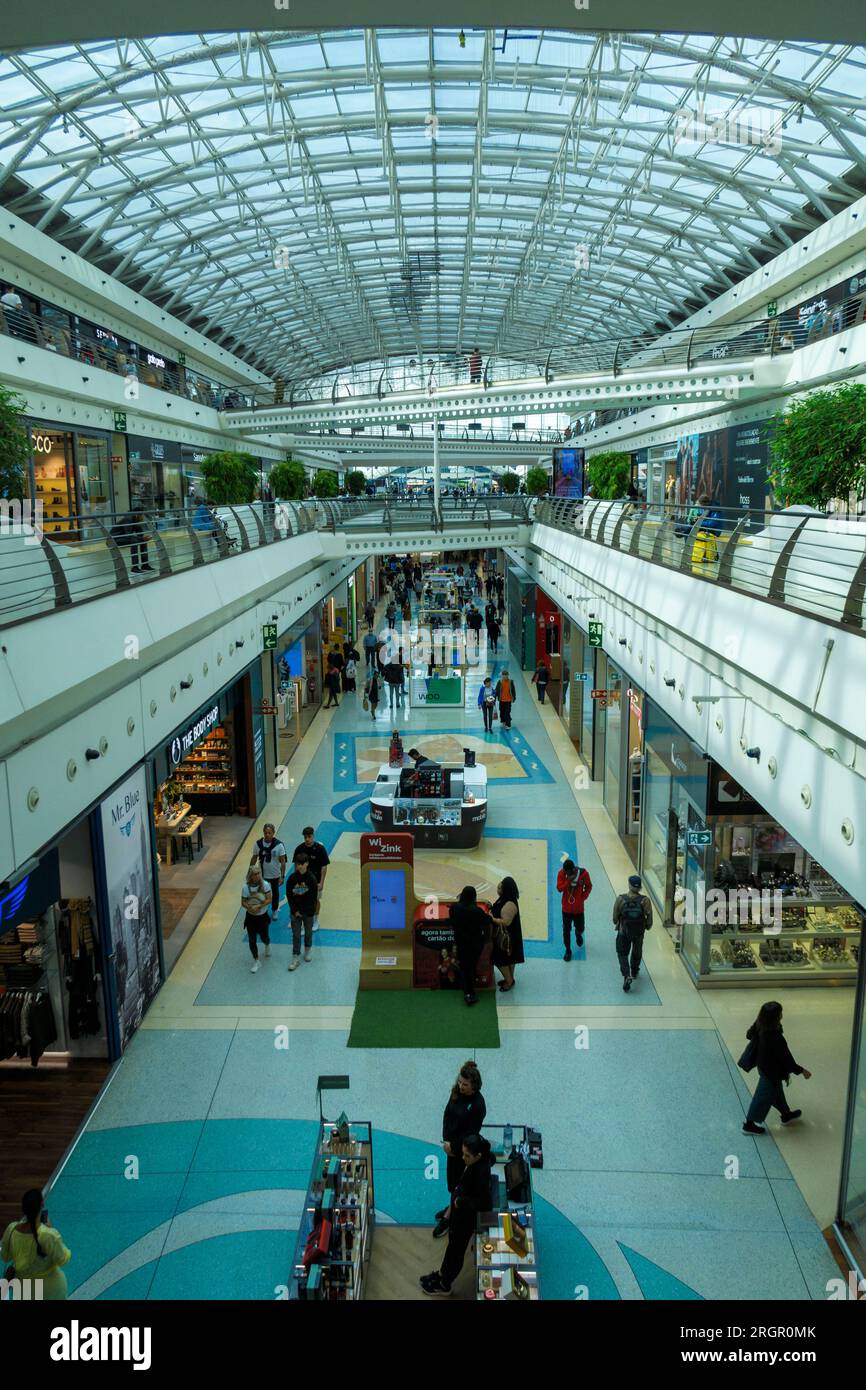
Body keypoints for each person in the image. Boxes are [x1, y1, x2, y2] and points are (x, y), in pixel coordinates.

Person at [421, 1134, 493, 1296]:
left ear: (478, 1156)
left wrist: (461, 1202)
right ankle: (441, 1275)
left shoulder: (480, 1173)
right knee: (452, 1249)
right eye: (463, 1153)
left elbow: (485, 1203)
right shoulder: (481, 1160)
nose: (463, 1158)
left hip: (464, 1221)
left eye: (467, 1155)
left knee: (456, 1252)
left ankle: (445, 1283)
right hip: (459, 1217)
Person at [431, 1062, 487, 1239]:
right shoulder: (456, 1091)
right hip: (451, 1147)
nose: (461, 1086)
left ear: (474, 1086)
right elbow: (447, 1114)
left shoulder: (478, 1105)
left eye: (465, 1084)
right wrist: (446, 1140)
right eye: (460, 1082)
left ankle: (449, 1218)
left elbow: (470, 1132)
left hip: (463, 1152)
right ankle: (450, 1206)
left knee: (459, 1185)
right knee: (452, 1182)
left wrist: (454, 1149)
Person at [742, 1002, 812, 1135]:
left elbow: (748, 1035)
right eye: (780, 1013)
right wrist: (801, 1071)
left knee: (776, 1092)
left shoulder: (760, 1024)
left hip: (763, 1066)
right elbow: (786, 1058)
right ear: (776, 1017)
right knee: (762, 1097)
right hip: (771, 1071)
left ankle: (786, 1114)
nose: (782, 1015)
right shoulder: (774, 1036)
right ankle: (749, 1125)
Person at [1, 1189, 71, 1300]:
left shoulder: (11, 1229)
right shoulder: (47, 1234)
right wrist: (51, 1229)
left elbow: (5, 1256)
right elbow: (63, 1259)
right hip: (51, 1290)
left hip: (24, 1290)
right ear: (42, 1205)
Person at [449, 885, 490, 1006]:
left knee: (465, 967)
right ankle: (470, 992)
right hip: (475, 944)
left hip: (461, 943)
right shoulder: (476, 910)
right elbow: (487, 920)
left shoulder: (455, 908)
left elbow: (452, 918)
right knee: (471, 966)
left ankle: (468, 992)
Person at [612, 873, 653, 992]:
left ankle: (626, 975)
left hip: (623, 932)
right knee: (637, 951)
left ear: (629, 885)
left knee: (622, 953)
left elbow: (615, 918)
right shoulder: (645, 900)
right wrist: (647, 926)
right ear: (640, 887)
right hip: (639, 932)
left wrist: (618, 922)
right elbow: (649, 917)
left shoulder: (620, 899)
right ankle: (634, 971)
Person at [489, 876, 524, 991]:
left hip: (505, 939)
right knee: (510, 959)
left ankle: (508, 981)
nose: (498, 890)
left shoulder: (509, 903)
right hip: (508, 937)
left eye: (501, 888)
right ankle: (510, 978)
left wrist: (492, 919)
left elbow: (506, 922)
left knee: (501, 960)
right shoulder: (506, 898)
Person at [285, 853, 318, 970]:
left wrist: (304, 911)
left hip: (308, 912)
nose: (300, 867)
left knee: (308, 932)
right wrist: (295, 910)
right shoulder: (292, 879)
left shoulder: (312, 879)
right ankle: (295, 957)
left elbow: (313, 898)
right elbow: (289, 896)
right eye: (298, 864)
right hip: (295, 913)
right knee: (296, 935)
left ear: (307, 864)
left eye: (302, 864)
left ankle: (307, 950)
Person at [294, 826, 330, 933]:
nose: (307, 839)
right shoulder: (299, 849)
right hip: (302, 882)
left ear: (313, 836)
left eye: (309, 837)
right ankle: (303, 925)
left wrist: (321, 882)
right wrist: (296, 881)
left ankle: (315, 920)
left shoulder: (320, 849)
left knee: (315, 901)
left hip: (316, 881)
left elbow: (324, 867)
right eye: (305, 837)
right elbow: (296, 866)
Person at [557, 858, 593, 959]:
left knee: (580, 928)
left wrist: (583, 897)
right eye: (565, 872)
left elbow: (589, 886)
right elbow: (559, 888)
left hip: (578, 909)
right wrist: (568, 881)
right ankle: (568, 950)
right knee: (566, 930)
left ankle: (578, 934)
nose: (567, 874)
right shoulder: (562, 873)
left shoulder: (583, 874)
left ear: (574, 869)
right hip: (566, 909)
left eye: (568, 872)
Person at [250, 823, 287, 919]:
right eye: (265, 833)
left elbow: (283, 862)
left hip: (275, 875)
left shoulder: (279, 845)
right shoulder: (258, 844)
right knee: (262, 894)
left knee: (275, 894)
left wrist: (282, 876)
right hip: (262, 875)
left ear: (273, 833)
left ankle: (275, 910)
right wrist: (250, 871)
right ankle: (263, 910)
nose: (267, 835)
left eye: (269, 833)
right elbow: (254, 858)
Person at [242, 865, 272, 973]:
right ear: (250, 876)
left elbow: (269, 899)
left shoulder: (265, 885)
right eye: (255, 874)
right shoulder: (246, 888)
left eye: (259, 873)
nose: (257, 876)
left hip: (262, 917)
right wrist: (250, 907)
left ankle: (267, 943)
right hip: (251, 917)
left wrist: (259, 906)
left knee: (264, 937)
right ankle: (256, 960)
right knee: (252, 939)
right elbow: (243, 902)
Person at [110, 510, 154, 574]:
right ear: (137, 515)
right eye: (142, 516)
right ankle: (134, 568)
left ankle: (145, 565)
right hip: (114, 540)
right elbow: (128, 535)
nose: (143, 518)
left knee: (143, 541)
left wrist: (143, 538)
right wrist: (142, 538)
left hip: (122, 538)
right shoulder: (128, 520)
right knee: (135, 541)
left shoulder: (135, 522)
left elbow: (140, 536)